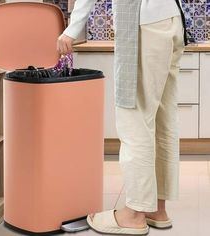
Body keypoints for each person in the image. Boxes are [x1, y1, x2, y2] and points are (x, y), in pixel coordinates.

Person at [57, 0, 185, 235]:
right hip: (172, 19)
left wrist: (71, 29)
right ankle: (157, 207)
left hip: (142, 24)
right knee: (161, 120)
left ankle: (134, 214)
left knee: (134, 119)